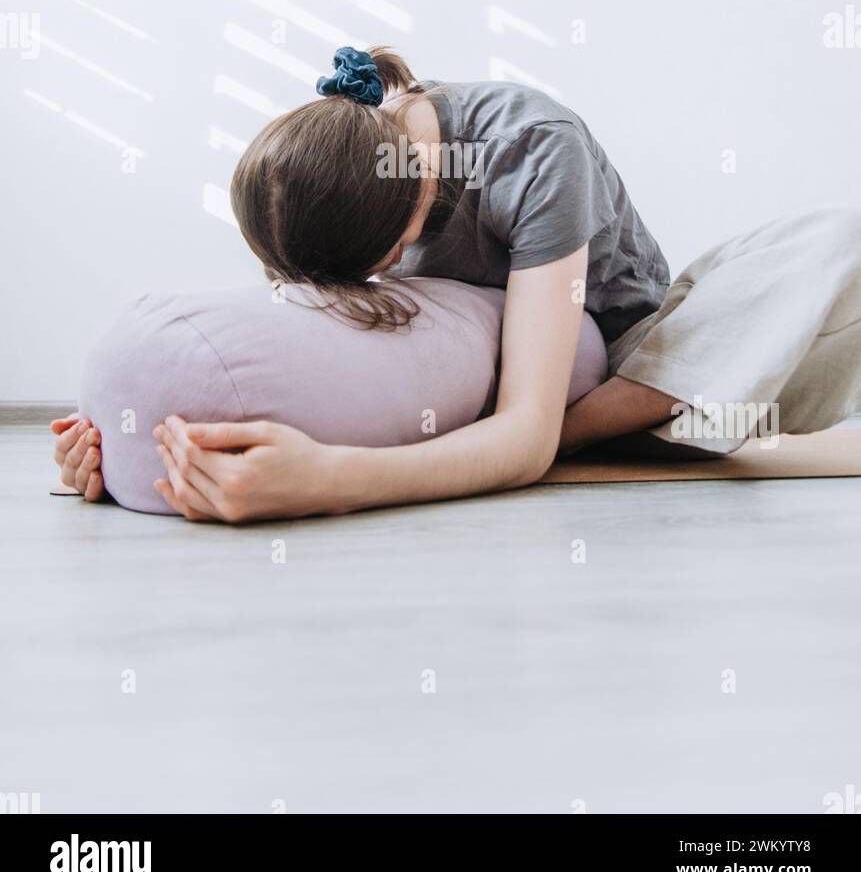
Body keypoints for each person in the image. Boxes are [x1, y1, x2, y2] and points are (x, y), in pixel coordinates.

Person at [53, 46, 861, 521]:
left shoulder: (533, 147)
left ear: (412, 208)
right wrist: (138, 441)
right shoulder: (339, 165)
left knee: (833, 242)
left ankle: (574, 431)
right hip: (474, 393)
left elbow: (524, 434)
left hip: (632, 369)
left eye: (382, 263)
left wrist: (331, 478)